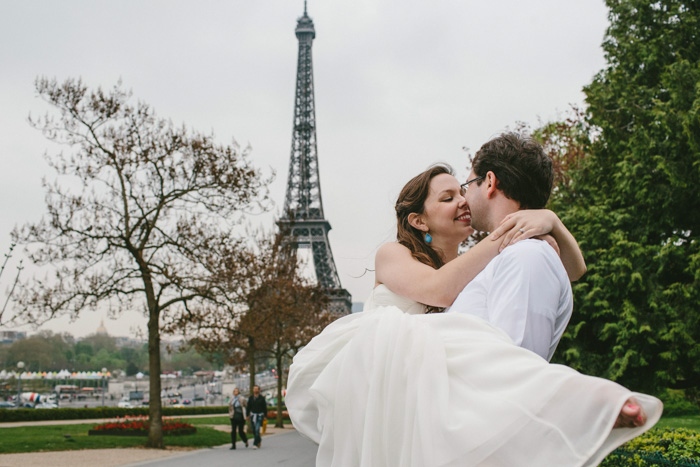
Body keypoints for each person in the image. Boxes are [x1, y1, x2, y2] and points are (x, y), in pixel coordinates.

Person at [286, 151, 662, 466]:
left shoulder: (474, 265)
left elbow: (575, 270)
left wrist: (552, 222)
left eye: (462, 194)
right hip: (383, 369)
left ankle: (578, 405)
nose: (463, 202)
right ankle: (584, 401)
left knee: (480, 354)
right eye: (447, 198)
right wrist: (510, 230)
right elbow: (438, 290)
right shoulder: (394, 254)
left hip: (425, 387)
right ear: (418, 220)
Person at [446, 132, 575, 360]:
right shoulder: (512, 256)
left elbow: (517, 360)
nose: (464, 199)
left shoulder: (528, 255)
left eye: (467, 186)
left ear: (489, 182)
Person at [247, 385, 267, 449]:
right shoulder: (251, 398)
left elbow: (264, 407)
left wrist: (265, 416)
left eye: (256, 389)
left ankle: (255, 444)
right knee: (254, 429)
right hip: (253, 415)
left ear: (259, 390)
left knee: (257, 429)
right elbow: (248, 407)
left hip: (259, 415)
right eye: (254, 389)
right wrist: (247, 415)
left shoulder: (261, 398)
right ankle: (259, 439)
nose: (255, 390)